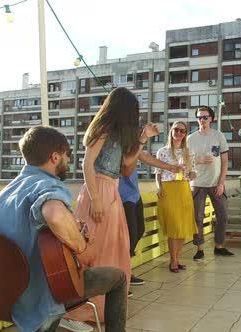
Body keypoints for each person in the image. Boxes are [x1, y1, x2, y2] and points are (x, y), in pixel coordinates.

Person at [0, 126, 127, 332]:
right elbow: (54, 214)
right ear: (54, 157)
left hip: (6, 296)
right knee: (119, 277)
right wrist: (83, 249)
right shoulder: (47, 184)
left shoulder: (4, 194)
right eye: (66, 155)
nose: (68, 160)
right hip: (42, 295)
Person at [63, 87, 158, 326]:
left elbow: (126, 167)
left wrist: (142, 139)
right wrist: (95, 199)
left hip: (112, 192)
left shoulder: (117, 134)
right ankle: (80, 309)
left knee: (114, 248)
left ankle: (104, 306)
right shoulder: (103, 128)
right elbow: (87, 164)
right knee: (94, 248)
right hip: (99, 191)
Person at [119, 155, 183, 285]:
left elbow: (145, 157)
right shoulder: (120, 142)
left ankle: (125, 271)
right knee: (129, 235)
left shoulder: (133, 144)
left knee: (139, 230)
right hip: (122, 195)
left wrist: (170, 167)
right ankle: (122, 276)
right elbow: (126, 169)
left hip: (135, 194)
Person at [187, 105, 234, 260]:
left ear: (211, 119)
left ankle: (219, 246)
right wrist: (197, 160)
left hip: (216, 183)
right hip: (197, 184)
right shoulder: (190, 138)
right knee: (197, 218)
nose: (202, 120)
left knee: (223, 215)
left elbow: (225, 161)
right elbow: (184, 162)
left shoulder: (219, 136)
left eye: (205, 117)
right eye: (199, 117)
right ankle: (199, 249)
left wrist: (221, 183)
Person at [155, 121, 199, 272]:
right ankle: (173, 260)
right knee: (173, 225)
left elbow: (193, 171)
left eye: (182, 130)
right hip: (168, 189)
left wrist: (193, 173)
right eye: (176, 129)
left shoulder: (189, 151)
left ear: (185, 134)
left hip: (184, 189)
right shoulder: (162, 151)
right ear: (171, 131)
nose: (179, 133)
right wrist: (159, 188)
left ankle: (177, 258)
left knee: (182, 226)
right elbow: (158, 173)